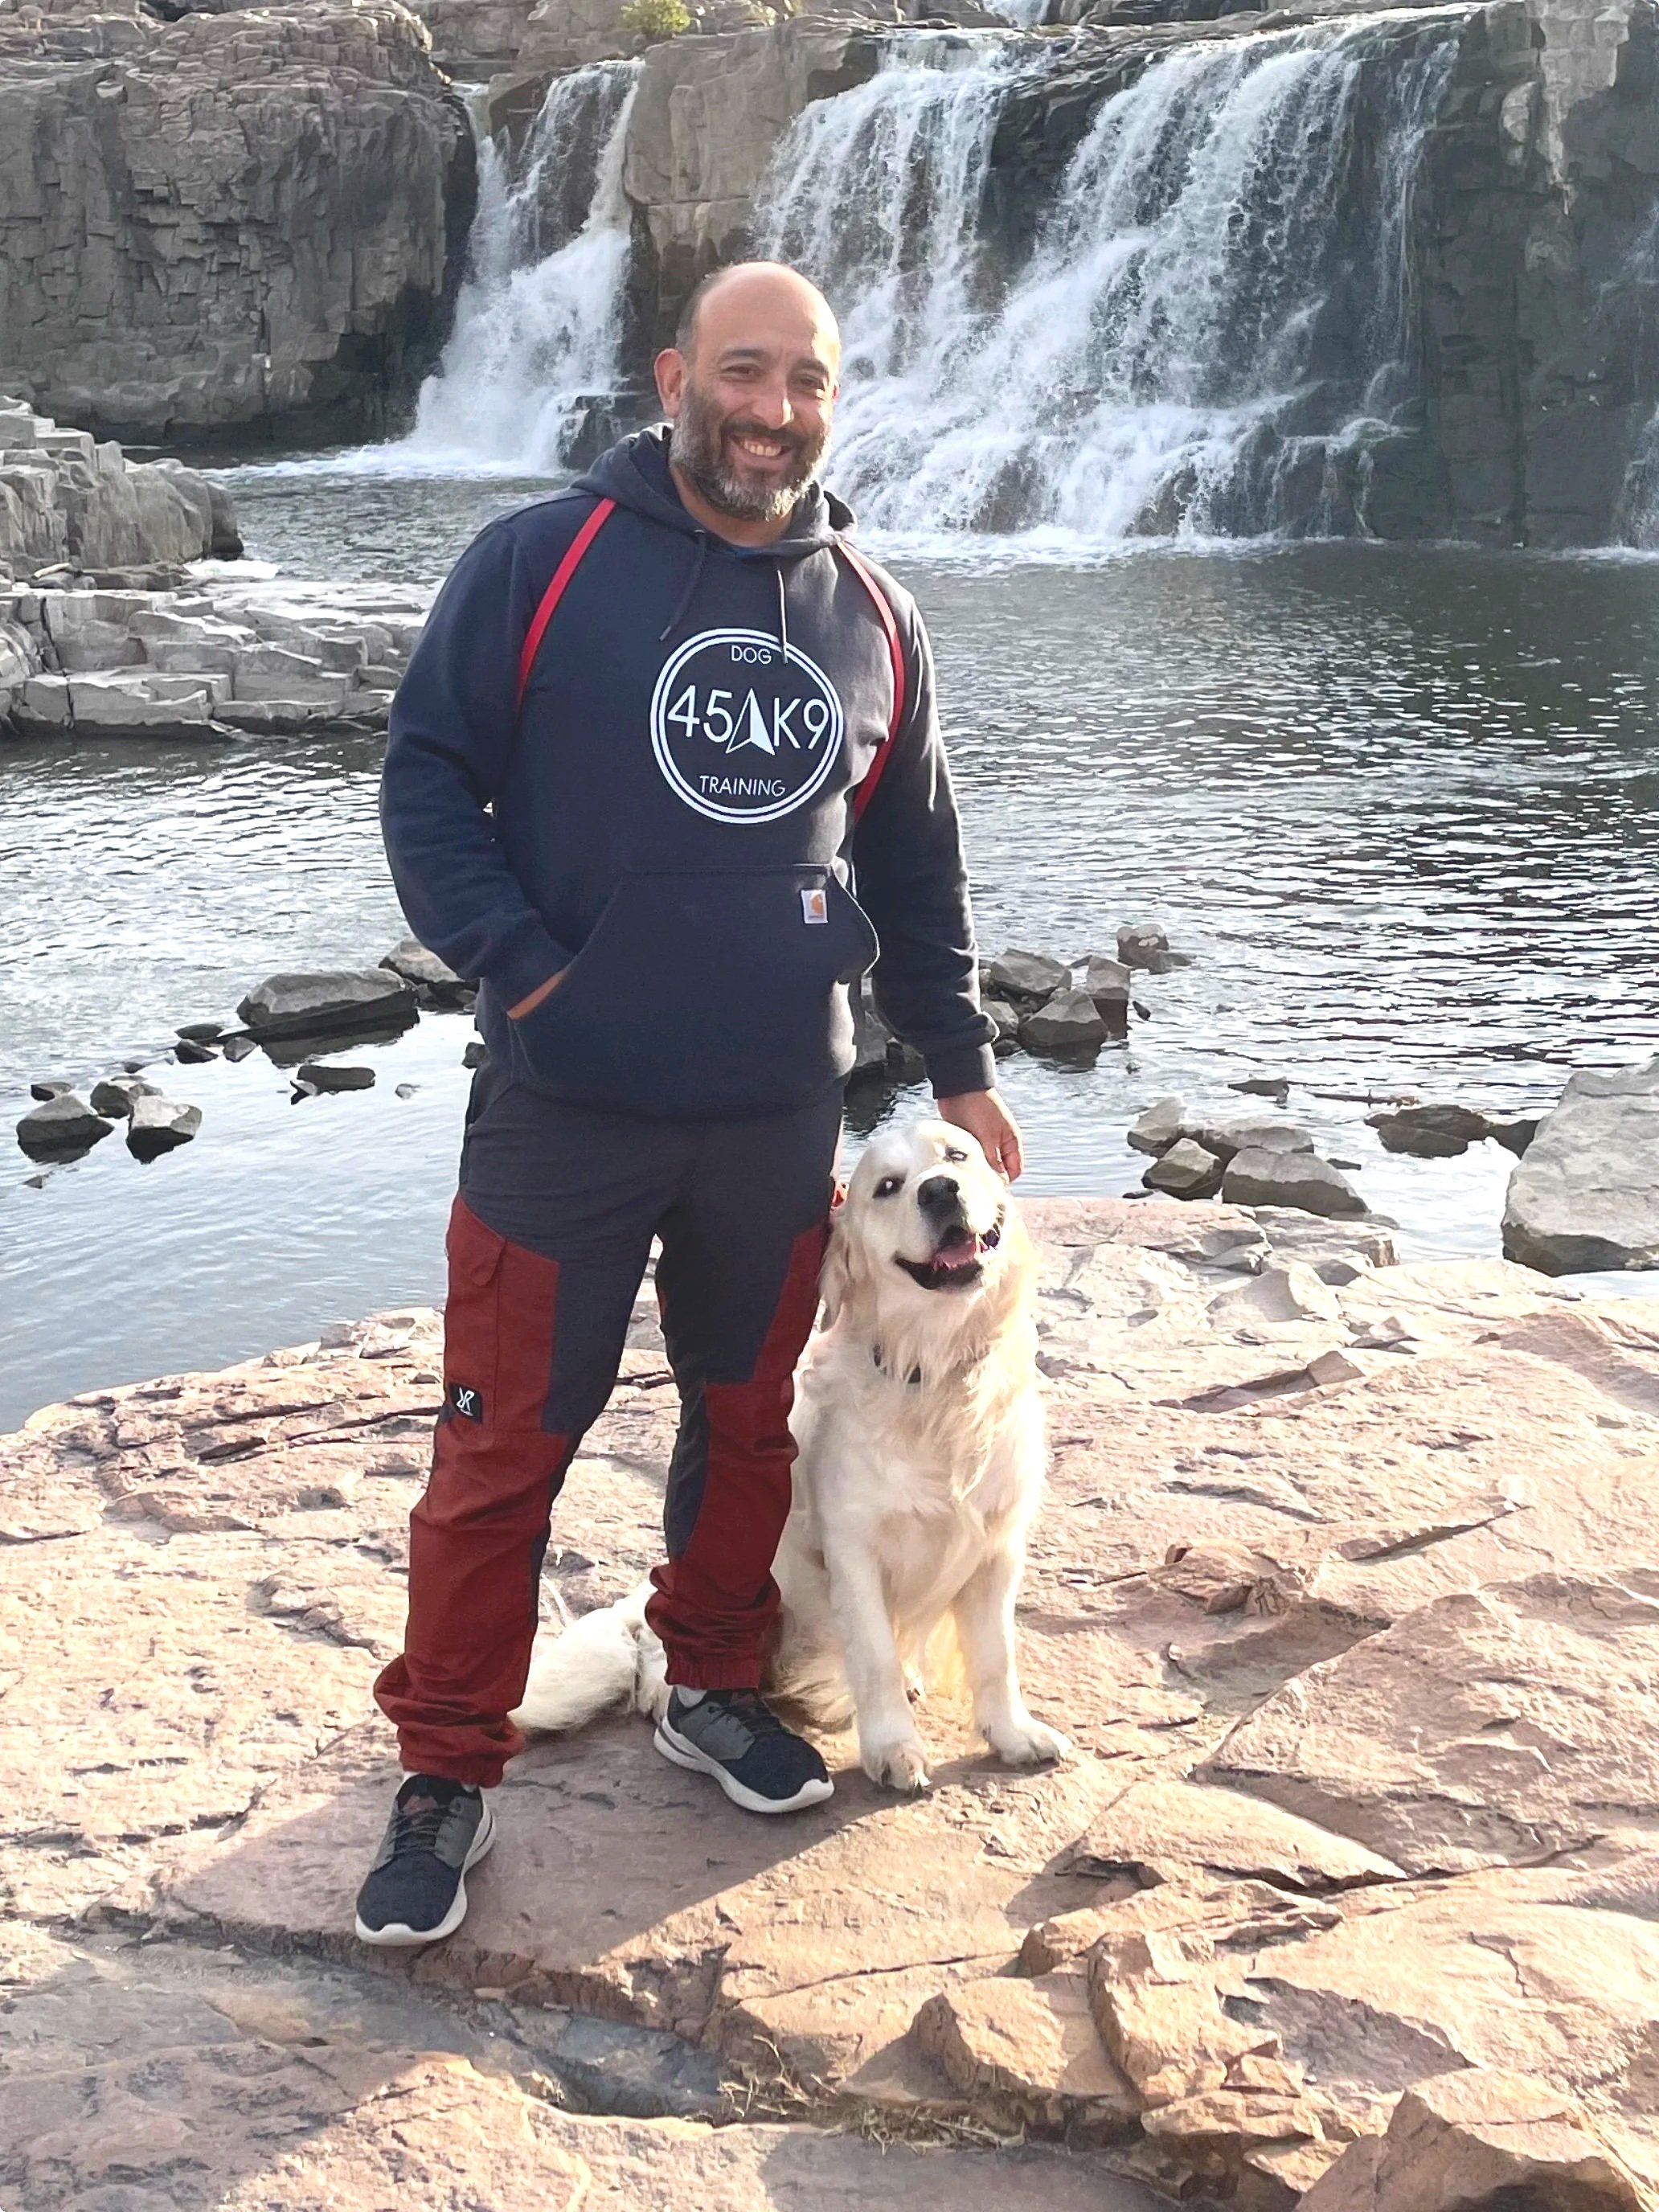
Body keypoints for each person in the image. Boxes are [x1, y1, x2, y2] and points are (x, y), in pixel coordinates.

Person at [355, 260, 1022, 1948]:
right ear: (674, 376)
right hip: (562, 1112)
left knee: (746, 1427)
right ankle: (447, 1762)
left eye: (804, 379)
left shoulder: (869, 609)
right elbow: (426, 774)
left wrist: (963, 1065)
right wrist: (524, 964)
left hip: (771, 1121)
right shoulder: (540, 558)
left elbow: (916, 865)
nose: (772, 407)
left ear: (830, 401)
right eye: (743, 370)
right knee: (502, 1446)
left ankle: (712, 1677)